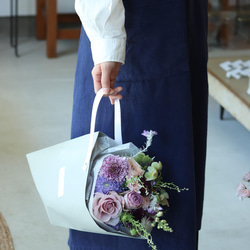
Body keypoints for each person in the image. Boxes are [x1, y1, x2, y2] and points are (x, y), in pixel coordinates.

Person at [69, 0, 208, 249]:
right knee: (115, 171)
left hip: (181, 20)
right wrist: (107, 42)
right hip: (132, 24)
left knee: (176, 171)